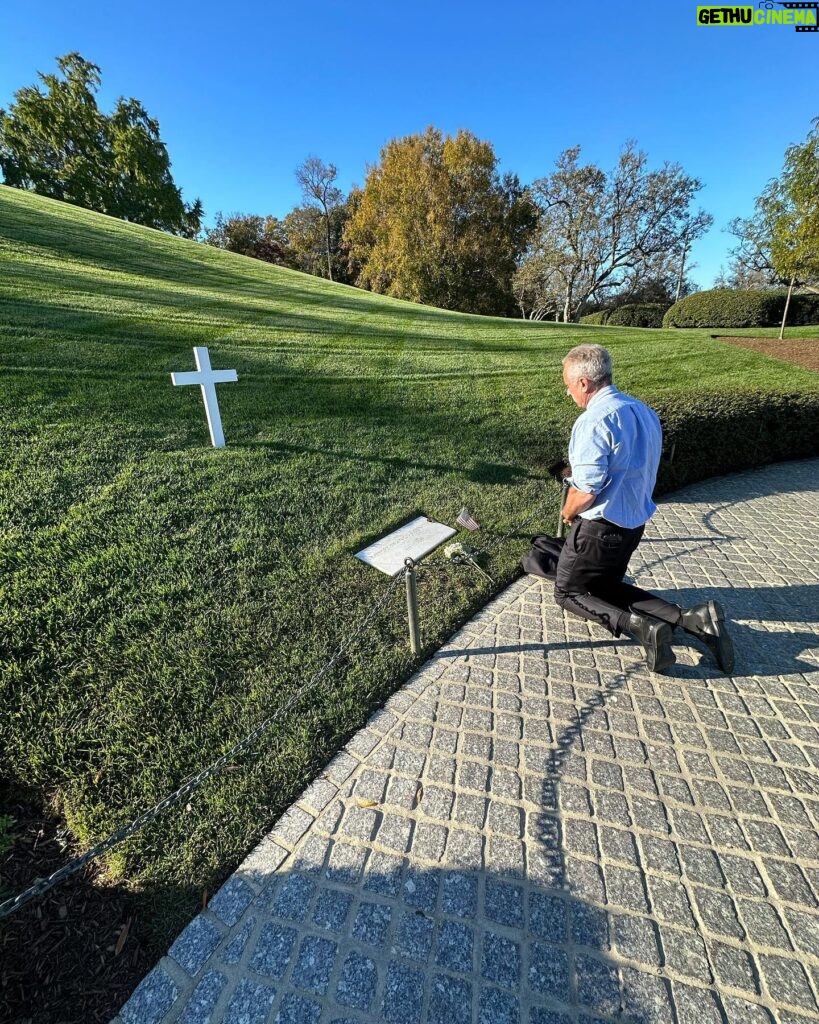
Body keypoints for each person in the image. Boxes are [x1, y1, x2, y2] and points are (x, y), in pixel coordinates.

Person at [554, 343, 733, 674]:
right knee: (606, 587)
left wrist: (567, 512)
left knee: (568, 591)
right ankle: (693, 620)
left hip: (599, 528)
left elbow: (587, 488)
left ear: (583, 383)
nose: (569, 394)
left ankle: (644, 629)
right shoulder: (643, 412)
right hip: (633, 524)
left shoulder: (593, 421)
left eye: (568, 386)